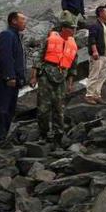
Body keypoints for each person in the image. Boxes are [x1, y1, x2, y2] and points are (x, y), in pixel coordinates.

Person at [29, 14, 78, 144]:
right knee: (43, 108)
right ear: (63, 29)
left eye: (74, 28)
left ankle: (58, 136)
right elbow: (38, 58)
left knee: (59, 109)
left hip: (61, 78)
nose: (73, 31)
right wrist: (34, 77)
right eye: (71, 28)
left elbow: (73, 66)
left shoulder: (72, 44)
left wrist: (70, 84)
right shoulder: (50, 40)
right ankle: (43, 134)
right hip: (46, 76)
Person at [0, 12, 27, 148]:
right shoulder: (7, 35)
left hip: (13, 81)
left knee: (9, 110)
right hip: (4, 80)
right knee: (1, 109)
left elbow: (18, 60)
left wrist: (21, 78)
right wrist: (9, 76)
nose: (25, 22)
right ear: (14, 21)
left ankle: (3, 137)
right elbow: (5, 57)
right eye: (22, 19)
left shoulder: (16, 36)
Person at [85, 6, 106, 104]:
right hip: (98, 55)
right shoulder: (95, 25)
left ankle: (97, 94)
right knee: (94, 75)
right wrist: (94, 51)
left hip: (105, 55)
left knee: (102, 76)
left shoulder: (105, 25)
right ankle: (89, 95)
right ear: (100, 13)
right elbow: (92, 39)